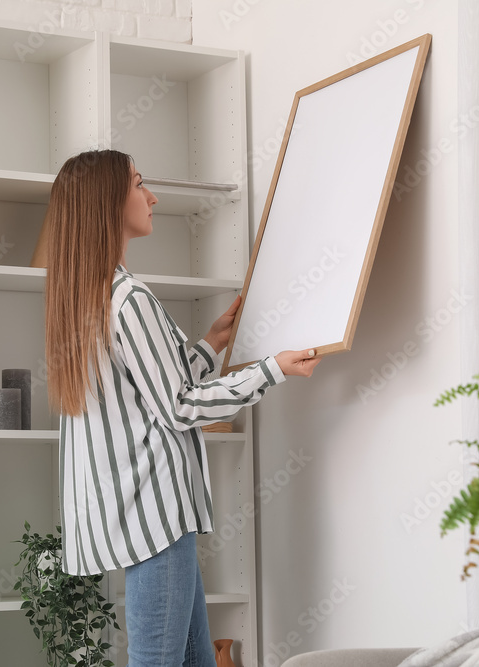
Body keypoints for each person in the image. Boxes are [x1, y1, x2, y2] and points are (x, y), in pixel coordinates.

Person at [43, 149, 321, 667]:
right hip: (156, 516)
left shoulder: (88, 298)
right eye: (139, 184)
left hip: (138, 517)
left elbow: (148, 391)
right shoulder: (128, 299)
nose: (152, 196)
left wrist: (211, 345)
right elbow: (177, 406)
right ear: (107, 202)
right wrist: (272, 369)